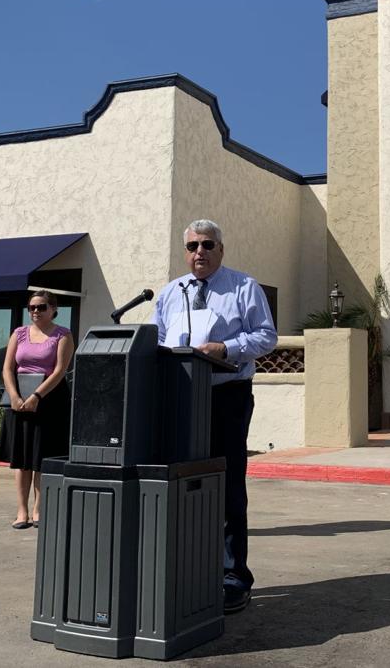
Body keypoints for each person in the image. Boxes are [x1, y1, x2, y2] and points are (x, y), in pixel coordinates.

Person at [152, 219, 277, 613]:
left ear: (221, 249)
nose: (199, 253)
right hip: (181, 397)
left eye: (207, 245)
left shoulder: (243, 287)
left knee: (226, 486)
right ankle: (189, 571)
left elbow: (266, 336)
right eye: (192, 246)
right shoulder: (171, 293)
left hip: (227, 397)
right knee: (181, 483)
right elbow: (156, 342)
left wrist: (225, 348)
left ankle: (233, 575)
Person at [0, 290, 75, 530]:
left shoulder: (63, 335)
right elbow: (7, 368)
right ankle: (22, 512)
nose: (35, 312)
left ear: (53, 309)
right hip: (19, 401)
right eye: (31, 308)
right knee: (22, 459)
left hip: (49, 400)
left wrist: (37, 396)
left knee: (41, 458)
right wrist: (15, 396)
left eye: (41, 307)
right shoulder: (19, 334)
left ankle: (39, 509)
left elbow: (60, 370)